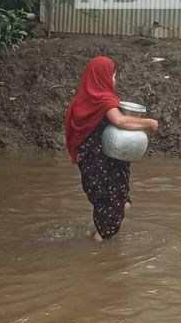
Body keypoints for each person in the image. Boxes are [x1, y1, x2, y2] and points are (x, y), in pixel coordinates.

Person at [65, 56, 159, 241]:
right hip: (104, 169)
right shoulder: (104, 100)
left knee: (117, 205)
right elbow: (120, 121)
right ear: (104, 76)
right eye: (113, 75)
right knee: (110, 216)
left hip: (91, 168)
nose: (114, 79)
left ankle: (98, 238)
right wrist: (148, 123)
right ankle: (99, 256)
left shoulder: (81, 101)